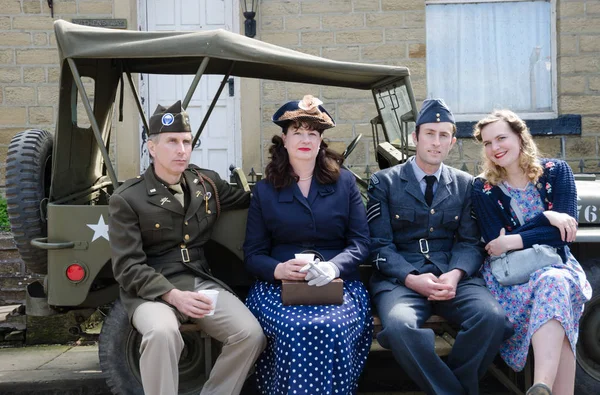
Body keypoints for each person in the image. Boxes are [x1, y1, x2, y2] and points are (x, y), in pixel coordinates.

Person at [108, 100, 266, 395]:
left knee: (249, 334)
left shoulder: (206, 183)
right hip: (152, 290)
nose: (181, 150)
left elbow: (249, 199)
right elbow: (127, 267)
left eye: (186, 142)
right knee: (162, 333)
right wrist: (172, 295)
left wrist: (290, 181)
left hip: (198, 280)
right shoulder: (128, 198)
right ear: (152, 147)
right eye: (171, 142)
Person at [367, 98, 512, 395]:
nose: (436, 142)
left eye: (443, 135)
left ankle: (447, 385)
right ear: (415, 137)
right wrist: (411, 278)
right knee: (398, 327)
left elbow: (471, 243)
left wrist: (456, 274)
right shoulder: (385, 182)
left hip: (451, 276)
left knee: (492, 318)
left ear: (452, 141)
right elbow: (378, 246)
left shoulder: (464, 183)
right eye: (429, 134)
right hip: (402, 280)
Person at [243, 95, 373, 394]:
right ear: (284, 141)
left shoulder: (344, 184)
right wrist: (279, 270)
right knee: (294, 329)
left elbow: (361, 242)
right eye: (297, 132)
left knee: (332, 327)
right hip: (278, 288)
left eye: (312, 133)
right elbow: (252, 255)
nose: (305, 139)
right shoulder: (265, 190)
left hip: (339, 284)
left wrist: (333, 266)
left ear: (320, 142)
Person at [471, 109, 592, 395]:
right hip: (513, 279)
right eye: (488, 143)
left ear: (520, 137)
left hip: (556, 268)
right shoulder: (483, 188)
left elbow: (564, 235)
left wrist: (513, 239)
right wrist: (548, 218)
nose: (495, 148)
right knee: (556, 289)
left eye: (501, 138)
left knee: (555, 282)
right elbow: (492, 242)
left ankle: (541, 387)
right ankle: (546, 389)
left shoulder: (556, 172)